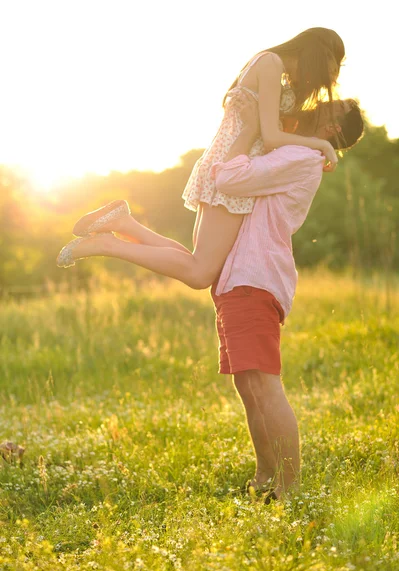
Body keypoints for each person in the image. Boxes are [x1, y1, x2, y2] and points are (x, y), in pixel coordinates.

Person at [57, 28, 346, 279]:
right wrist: (321, 145)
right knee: (200, 272)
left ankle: (122, 223)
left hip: (237, 162)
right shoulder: (271, 62)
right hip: (234, 162)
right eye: (335, 65)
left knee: (197, 263)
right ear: (319, 51)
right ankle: (107, 244)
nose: (333, 75)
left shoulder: (277, 72)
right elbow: (270, 137)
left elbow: (269, 134)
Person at [208, 96, 364, 504]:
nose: (325, 101)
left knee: (263, 382)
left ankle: (289, 489)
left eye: (335, 106)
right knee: (248, 384)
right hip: (240, 276)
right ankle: (265, 476)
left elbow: (228, 179)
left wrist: (242, 138)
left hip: (254, 276)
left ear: (333, 128)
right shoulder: (298, 150)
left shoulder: (299, 155)